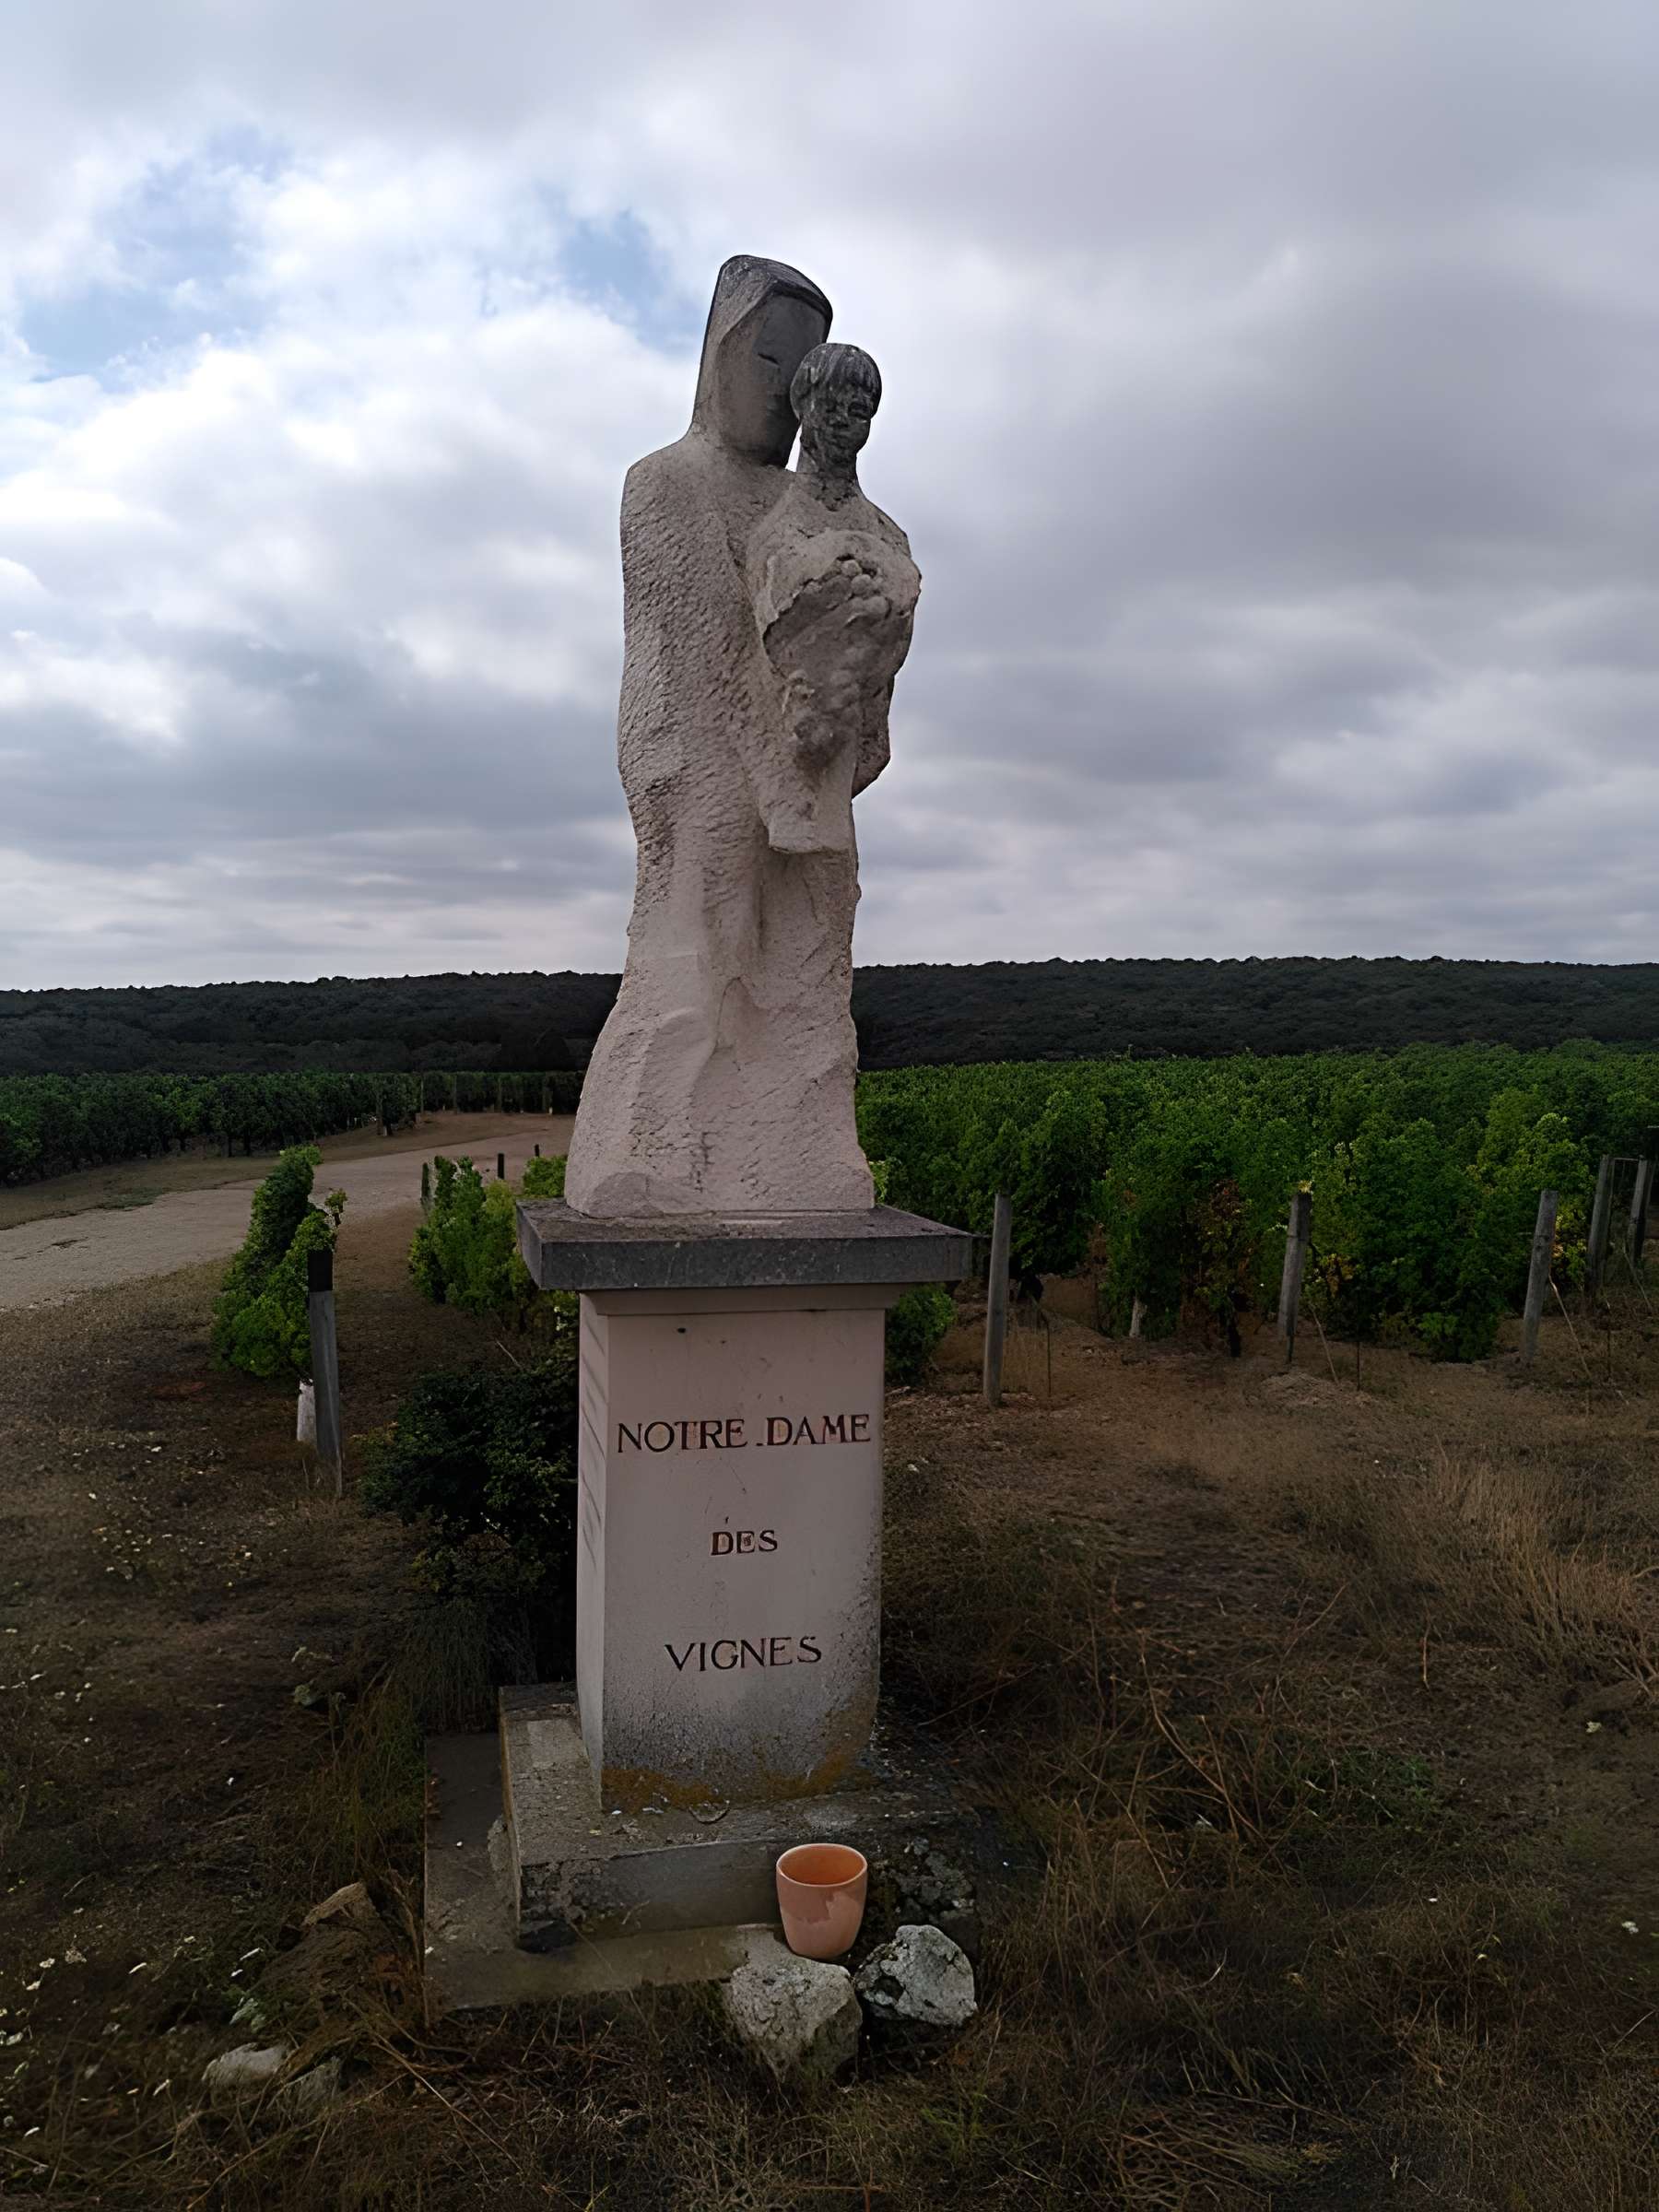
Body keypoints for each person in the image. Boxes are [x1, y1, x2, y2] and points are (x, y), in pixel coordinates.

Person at [746, 343, 921, 857]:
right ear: (803, 406)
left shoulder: (889, 533)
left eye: (859, 411)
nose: (844, 421)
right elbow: (781, 603)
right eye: (832, 405)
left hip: (849, 744)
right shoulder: (776, 527)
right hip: (788, 749)